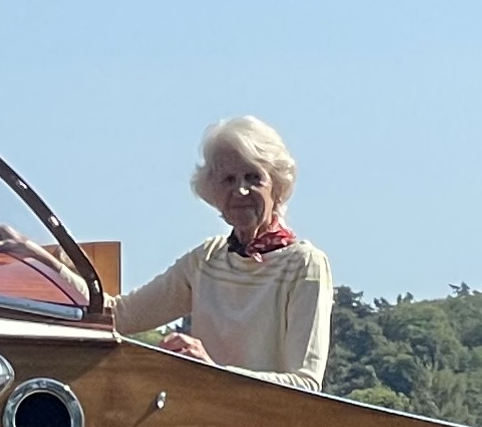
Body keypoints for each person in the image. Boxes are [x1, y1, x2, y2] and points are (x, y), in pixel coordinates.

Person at [116, 115, 332, 388]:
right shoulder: (206, 260)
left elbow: (305, 385)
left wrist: (214, 372)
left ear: (277, 186)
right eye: (228, 180)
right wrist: (51, 267)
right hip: (200, 425)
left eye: (253, 177)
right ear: (213, 193)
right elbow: (120, 316)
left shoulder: (304, 265)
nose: (240, 190)